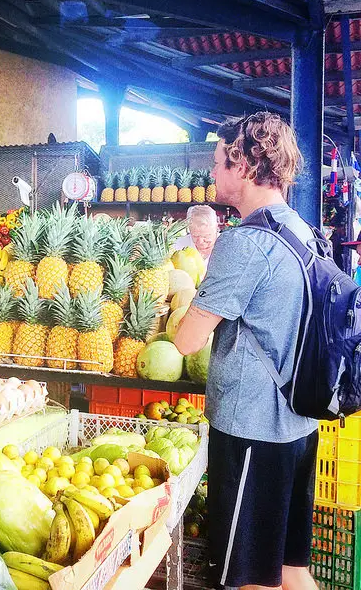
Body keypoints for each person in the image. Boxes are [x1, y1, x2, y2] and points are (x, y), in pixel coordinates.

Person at [173, 112, 319, 590]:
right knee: (291, 566)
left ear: (247, 165)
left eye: (219, 162)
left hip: (253, 431)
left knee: (251, 577)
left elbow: (187, 340)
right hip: (298, 426)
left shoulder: (243, 242)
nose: (213, 173)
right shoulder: (300, 229)